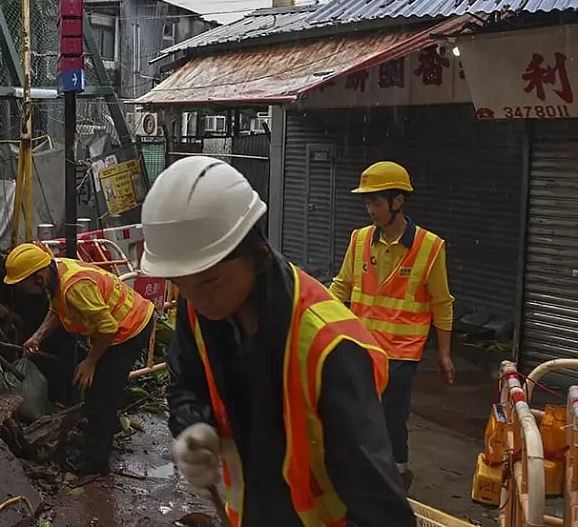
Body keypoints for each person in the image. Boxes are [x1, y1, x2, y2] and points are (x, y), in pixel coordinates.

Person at [141, 156, 414, 527]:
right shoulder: (201, 310)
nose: (197, 299)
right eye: (181, 283)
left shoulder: (329, 348)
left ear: (257, 253)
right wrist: (192, 425)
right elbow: (186, 379)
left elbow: (378, 501)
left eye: (210, 281)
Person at [328, 161, 455, 490]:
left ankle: (397, 476)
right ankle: (362, 472)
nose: (369, 209)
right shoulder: (358, 240)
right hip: (361, 346)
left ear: (397, 202)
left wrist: (444, 353)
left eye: (376, 202)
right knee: (356, 410)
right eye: (367, 202)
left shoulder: (430, 247)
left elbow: (442, 302)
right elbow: (341, 286)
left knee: (391, 417)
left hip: (401, 354)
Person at [4, 242, 154, 475]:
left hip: (129, 328)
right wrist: (37, 337)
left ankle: (95, 463)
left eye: (22, 285)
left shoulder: (75, 287)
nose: (22, 291)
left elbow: (108, 328)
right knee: (96, 389)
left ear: (39, 277)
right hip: (117, 328)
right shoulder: (56, 273)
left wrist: (90, 362)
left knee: (103, 392)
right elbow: (57, 309)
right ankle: (103, 431)